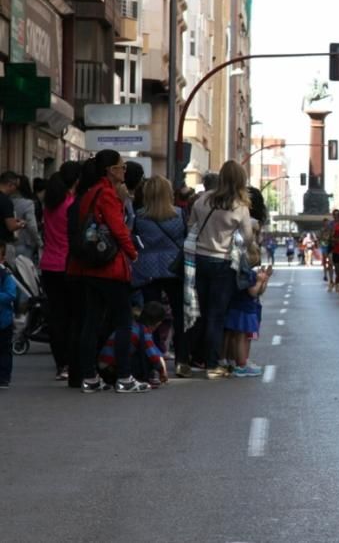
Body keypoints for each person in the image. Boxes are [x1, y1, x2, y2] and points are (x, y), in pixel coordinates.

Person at [68, 150, 142, 394]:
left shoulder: (89, 193)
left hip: (89, 265)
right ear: (110, 170)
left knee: (91, 321)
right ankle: (124, 377)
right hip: (110, 266)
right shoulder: (108, 195)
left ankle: (89, 377)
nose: (125, 170)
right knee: (124, 321)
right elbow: (119, 230)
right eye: (121, 167)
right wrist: (133, 253)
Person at [188, 160, 255, 380]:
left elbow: (191, 226)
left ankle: (190, 358)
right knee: (217, 315)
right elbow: (246, 238)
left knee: (199, 312)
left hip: (199, 260)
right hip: (223, 262)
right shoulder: (239, 206)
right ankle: (212, 363)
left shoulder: (202, 200)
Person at [132, 175, 189, 377]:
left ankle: (153, 358)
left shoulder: (139, 217)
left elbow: (134, 242)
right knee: (180, 316)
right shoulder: (180, 214)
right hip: (174, 269)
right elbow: (187, 240)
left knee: (150, 316)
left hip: (147, 270)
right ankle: (182, 360)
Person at [40, 163, 81, 381]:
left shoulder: (50, 205)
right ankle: (71, 360)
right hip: (67, 263)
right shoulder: (71, 205)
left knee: (56, 316)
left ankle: (61, 365)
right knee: (72, 315)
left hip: (48, 264)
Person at [223, 235, 272, 378]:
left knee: (244, 337)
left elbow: (259, 293)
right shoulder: (248, 273)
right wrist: (259, 281)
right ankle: (241, 365)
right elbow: (253, 293)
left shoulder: (245, 272)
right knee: (242, 338)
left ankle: (241, 362)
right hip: (244, 309)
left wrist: (264, 279)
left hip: (243, 308)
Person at [96, 301, 167, 390]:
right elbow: (154, 356)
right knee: (150, 359)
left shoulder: (131, 325)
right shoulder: (144, 332)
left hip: (104, 366)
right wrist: (162, 371)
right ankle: (150, 377)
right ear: (158, 324)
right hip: (113, 368)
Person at [11, 175, 41, 262]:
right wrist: (39, 242)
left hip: (9, 244)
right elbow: (32, 226)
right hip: (25, 243)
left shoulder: (7, 200)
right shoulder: (28, 203)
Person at [0, 244, 17, 389]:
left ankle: (4, 377)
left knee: (4, 350)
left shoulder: (5, 275)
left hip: (3, 320)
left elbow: (11, 294)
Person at [318, 218, 333, 283]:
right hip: (324, 246)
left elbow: (332, 237)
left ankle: (330, 275)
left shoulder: (331, 230)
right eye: (325, 223)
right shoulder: (322, 230)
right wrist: (320, 242)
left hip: (330, 247)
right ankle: (325, 275)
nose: (326, 224)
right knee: (324, 261)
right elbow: (320, 238)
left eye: (327, 223)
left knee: (330, 262)